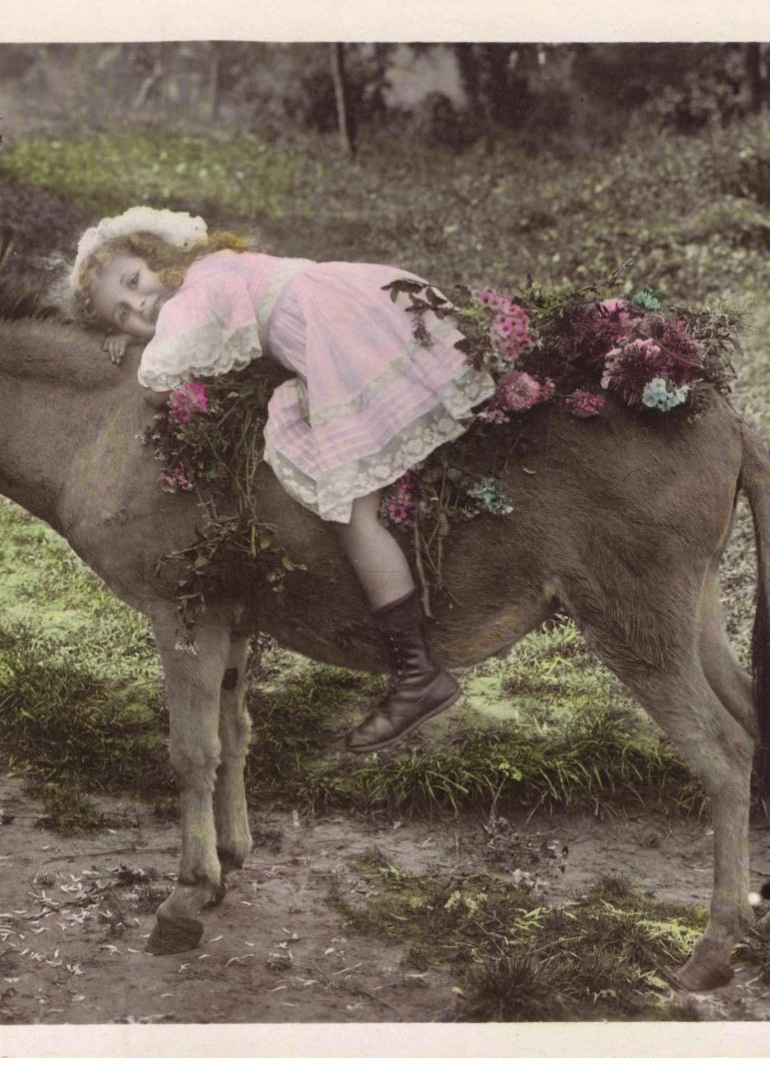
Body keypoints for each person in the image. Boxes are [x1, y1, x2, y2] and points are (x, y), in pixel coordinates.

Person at [69, 206, 496, 752]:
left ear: (156, 258)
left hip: (338, 339)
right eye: (122, 315)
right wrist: (143, 340)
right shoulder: (215, 268)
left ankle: (417, 675)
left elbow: (156, 387)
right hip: (357, 304)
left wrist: (140, 349)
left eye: (134, 282)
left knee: (352, 515)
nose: (140, 306)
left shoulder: (193, 295)